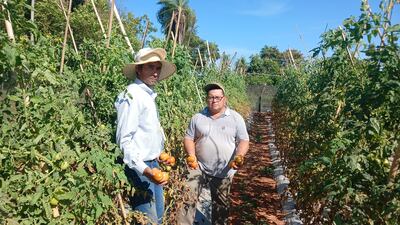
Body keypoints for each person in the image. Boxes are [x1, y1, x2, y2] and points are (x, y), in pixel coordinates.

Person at [115, 47, 176, 224]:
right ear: (138, 69)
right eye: (150, 67)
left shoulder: (147, 95)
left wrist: (158, 154)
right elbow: (124, 141)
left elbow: (145, 133)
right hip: (139, 168)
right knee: (148, 221)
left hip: (153, 165)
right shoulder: (132, 96)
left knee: (158, 218)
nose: (156, 72)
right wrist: (145, 170)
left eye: (158, 68)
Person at [177, 82, 250, 225]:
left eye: (217, 97)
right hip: (198, 166)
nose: (214, 100)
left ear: (224, 99)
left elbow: (244, 140)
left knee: (220, 206)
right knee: (187, 197)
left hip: (223, 170)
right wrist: (191, 155)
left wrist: (239, 156)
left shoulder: (235, 118)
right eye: (210, 97)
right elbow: (188, 138)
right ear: (206, 99)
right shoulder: (198, 117)